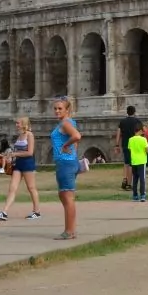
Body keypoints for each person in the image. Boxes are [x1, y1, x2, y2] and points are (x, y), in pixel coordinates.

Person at [0, 116, 42, 221]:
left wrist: (14, 154)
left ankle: (36, 211)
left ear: (24, 124)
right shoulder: (19, 136)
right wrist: (10, 157)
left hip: (27, 164)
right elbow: (17, 151)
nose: (16, 125)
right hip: (18, 164)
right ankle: (4, 212)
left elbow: (30, 152)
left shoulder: (30, 135)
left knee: (31, 188)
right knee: (12, 188)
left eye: (18, 123)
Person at [51, 98, 83, 240]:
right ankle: (71, 230)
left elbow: (77, 136)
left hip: (65, 163)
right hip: (68, 162)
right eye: (55, 108)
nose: (57, 111)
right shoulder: (69, 122)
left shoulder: (65, 123)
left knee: (67, 197)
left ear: (67, 110)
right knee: (65, 196)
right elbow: (74, 140)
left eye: (60, 108)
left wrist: (65, 146)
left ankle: (69, 231)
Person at [113, 106, 142, 191]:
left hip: (125, 144)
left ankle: (125, 179)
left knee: (126, 163)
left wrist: (117, 145)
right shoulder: (137, 121)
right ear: (134, 112)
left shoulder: (122, 122)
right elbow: (142, 131)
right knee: (131, 164)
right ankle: (129, 184)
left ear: (127, 112)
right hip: (135, 144)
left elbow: (118, 133)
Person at [127, 125, 148, 202]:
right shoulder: (143, 139)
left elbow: (130, 150)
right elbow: (147, 150)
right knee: (142, 179)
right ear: (139, 131)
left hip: (134, 161)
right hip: (142, 161)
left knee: (135, 179)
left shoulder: (130, 140)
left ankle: (135, 195)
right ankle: (142, 195)